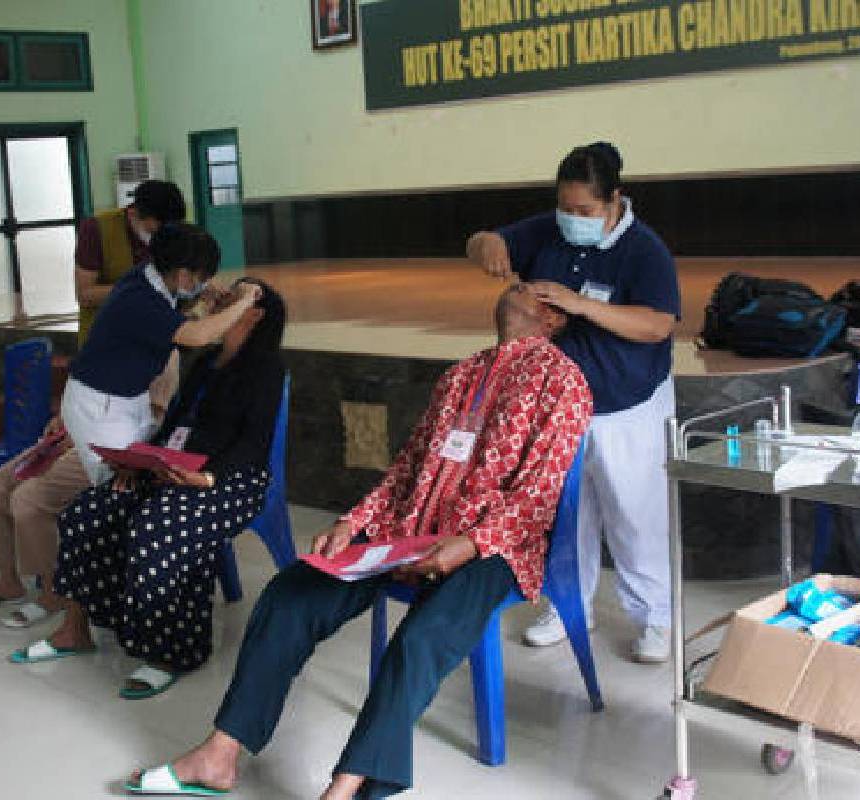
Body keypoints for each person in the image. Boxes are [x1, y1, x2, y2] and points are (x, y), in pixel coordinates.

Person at [123, 283, 591, 799]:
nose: (517, 287)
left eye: (534, 291)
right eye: (518, 281)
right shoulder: (462, 373)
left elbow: (537, 495)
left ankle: (344, 790)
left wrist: (473, 543)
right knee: (290, 593)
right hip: (410, 527)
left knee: (420, 639)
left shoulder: (563, 382)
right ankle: (220, 754)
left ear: (553, 320)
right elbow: (407, 467)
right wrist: (353, 521)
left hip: (496, 546)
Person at [10, 279, 287, 701]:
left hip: (230, 479)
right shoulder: (208, 361)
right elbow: (175, 423)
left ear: (256, 313)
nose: (226, 296)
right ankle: (75, 628)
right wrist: (141, 462)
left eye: (241, 295)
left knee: (160, 527)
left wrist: (208, 478)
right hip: (174, 468)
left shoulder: (266, 369)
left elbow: (254, 444)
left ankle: (171, 652)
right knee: (89, 511)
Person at [466, 142, 680, 663]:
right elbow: (482, 241)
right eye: (567, 208)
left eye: (585, 212)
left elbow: (658, 324)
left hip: (628, 405)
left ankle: (655, 616)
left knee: (634, 513)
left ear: (615, 202)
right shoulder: (548, 229)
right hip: (560, 406)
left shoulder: (644, 250)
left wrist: (578, 304)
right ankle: (565, 606)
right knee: (567, 513)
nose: (573, 220)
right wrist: (487, 243)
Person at [0, 353, 179, 627]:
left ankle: (53, 593)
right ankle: (8, 582)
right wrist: (62, 419)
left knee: (28, 500)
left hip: (103, 449)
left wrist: (85, 433)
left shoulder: (163, 355)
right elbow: (80, 391)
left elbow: (152, 422)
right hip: (69, 439)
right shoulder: (107, 339)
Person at [62, 223, 261, 488]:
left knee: (134, 480)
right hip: (101, 408)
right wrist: (244, 302)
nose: (204, 284)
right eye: (201, 277)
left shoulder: (148, 278)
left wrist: (203, 301)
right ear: (182, 275)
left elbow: (177, 322)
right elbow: (196, 336)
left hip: (126, 398)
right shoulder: (140, 298)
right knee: (116, 488)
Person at [74, 179, 186, 344]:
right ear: (134, 214)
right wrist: (145, 287)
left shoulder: (173, 233)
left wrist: (196, 288)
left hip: (152, 337)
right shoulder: (96, 229)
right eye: (155, 231)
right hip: (106, 340)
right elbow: (85, 294)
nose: (161, 238)